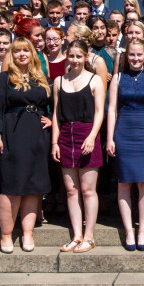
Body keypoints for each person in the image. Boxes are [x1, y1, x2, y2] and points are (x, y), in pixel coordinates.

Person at [0, 37, 53, 253]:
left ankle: (27, 233)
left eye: (26, 50)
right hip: (12, 133)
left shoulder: (41, 78)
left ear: (33, 53)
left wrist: (52, 119)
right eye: (17, 51)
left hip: (38, 135)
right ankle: (6, 235)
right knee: (12, 187)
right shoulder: (3, 78)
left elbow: (55, 104)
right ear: (11, 55)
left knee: (34, 188)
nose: (22, 54)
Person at [106, 38, 144, 251]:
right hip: (124, 132)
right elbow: (112, 109)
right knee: (124, 183)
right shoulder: (118, 78)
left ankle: (142, 231)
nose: (136, 58)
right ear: (126, 55)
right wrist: (110, 138)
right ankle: (129, 230)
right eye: (132, 54)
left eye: (139, 54)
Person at [52, 39, 106, 253]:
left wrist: (93, 136)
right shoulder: (58, 81)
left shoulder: (95, 80)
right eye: (71, 56)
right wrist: (54, 142)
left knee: (88, 189)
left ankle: (89, 236)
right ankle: (76, 235)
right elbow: (56, 114)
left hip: (87, 133)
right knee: (71, 190)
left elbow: (100, 112)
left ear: (86, 57)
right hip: (65, 135)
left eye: (78, 56)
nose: (74, 60)